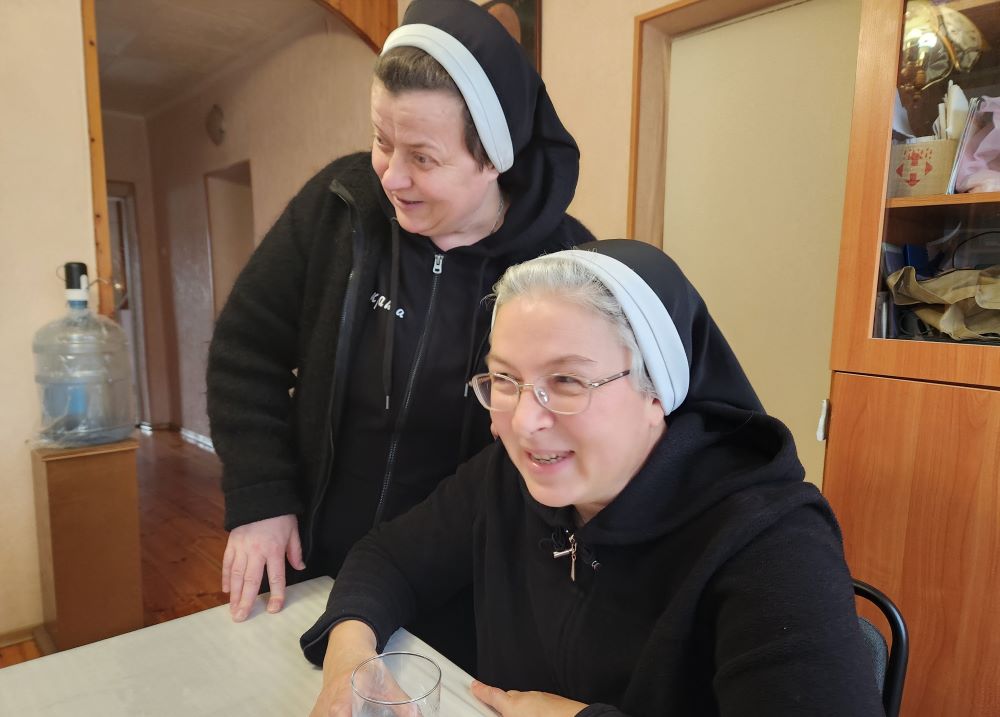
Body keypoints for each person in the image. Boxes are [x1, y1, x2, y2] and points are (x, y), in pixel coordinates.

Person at [301, 239, 885, 717]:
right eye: (504, 380)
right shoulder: (504, 479)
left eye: (568, 382)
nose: (525, 423)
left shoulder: (769, 540)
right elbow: (390, 556)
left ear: (656, 390)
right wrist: (351, 652)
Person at [205, 0, 593, 665]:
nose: (391, 174)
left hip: (470, 597)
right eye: (383, 140)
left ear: (492, 160)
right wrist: (260, 495)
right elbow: (247, 350)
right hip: (314, 565)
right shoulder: (341, 205)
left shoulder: (564, 270)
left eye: (423, 156)